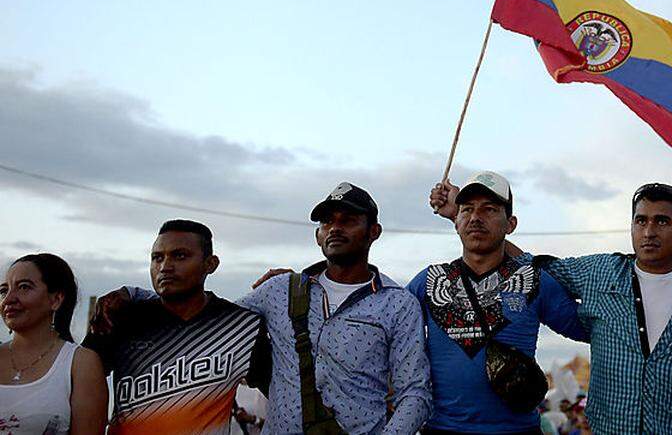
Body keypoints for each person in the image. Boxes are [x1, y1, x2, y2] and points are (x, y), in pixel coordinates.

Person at [95, 183, 433, 434]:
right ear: (317, 236)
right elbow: (203, 314)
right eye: (327, 222)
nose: (335, 228)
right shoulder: (280, 291)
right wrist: (133, 294)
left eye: (348, 220)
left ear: (374, 232)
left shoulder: (397, 303)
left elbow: (414, 392)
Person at [431, 180, 672, 435]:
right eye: (640, 221)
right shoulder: (600, 272)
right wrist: (460, 214)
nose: (649, 231)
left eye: (662, 222)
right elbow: (529, 265)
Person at [411, 170, 587, 435]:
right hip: (442, 429)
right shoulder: (430, 280)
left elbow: (590, 328)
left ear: (511, 224)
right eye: (467, 210)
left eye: (490, 209)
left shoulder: (534, 280)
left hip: (517, 430)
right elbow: (385, 329)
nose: (475, 218)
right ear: (456, 221)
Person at [83, 220, 270, 434]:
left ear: (211, 264)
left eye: (180, 256)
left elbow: (286, 395)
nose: (165, 267)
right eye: (157, 258)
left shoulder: (242, 326)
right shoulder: (120, 318)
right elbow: (75, 384)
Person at [0, 254, 106, 435]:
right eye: (4, 290)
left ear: (56, 299)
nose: (9, 299)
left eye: (24, 287)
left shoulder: (79, 363)